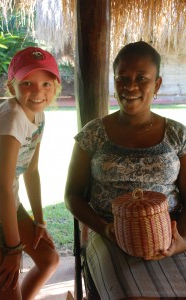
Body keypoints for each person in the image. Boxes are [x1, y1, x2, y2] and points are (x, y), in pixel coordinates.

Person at [64, 41, 186, 300]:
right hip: (109, 233)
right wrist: (107, 229)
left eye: (142, 78)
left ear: (158, 84)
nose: (130, 86)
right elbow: (72, 195)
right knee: (130, 295)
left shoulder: (178, 135)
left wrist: (180, 240)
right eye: (123, 78)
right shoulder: (93, 135)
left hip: (171, 232)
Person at [0, 46, 61, 299]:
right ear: (11, 88)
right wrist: (14, 248)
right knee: (7, 288)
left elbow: (31, 170)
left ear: (56, 85)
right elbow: (2, 187)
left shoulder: (38, 115)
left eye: (46, 84)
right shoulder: (11, 119)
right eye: (27, 82)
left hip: (6, 202)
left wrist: (40, 221)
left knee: (48, 259)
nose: (38, 91)